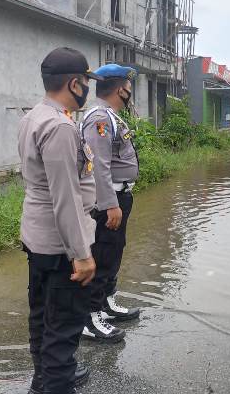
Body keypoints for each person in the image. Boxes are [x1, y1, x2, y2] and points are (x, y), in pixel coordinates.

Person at [18, 47, 103, 394]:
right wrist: (81, 255)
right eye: (86, 82)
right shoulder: (60, 127)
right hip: (61, 244)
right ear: (74, 83)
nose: (88, 89)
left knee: (41, 316)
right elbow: (65, 197)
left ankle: (45, 379)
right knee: (63, 327)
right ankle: (55, 381)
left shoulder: (33, 116)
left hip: (38, 237)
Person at [81, 64, 140, 343]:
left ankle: (105, 302)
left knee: (114, 251)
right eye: (129, 86)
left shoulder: (112, 117)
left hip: (120, 196)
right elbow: (99, 165)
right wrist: (109, 204)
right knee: (103, 253)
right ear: (121, 89)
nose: (130, 90)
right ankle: (89, 316)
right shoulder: (99, 119)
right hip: (110, 199)